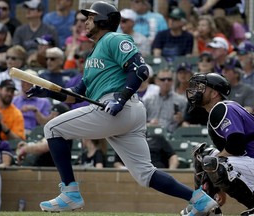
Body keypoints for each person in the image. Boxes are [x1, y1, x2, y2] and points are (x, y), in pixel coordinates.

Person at [25, 1, 218, 214]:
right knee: (145, 174)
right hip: (124, 112)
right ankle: (199, 199)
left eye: (90, 17)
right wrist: (48, 92)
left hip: (118, 106)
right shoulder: (93, 53)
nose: (85, 22)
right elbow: (76, 96)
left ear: (102, 20)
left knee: (52, 129)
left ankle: (70, 193)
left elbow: (141, 70)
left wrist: (120, 99)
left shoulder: (113, 38)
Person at [181, 72, 254, 216]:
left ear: (214, 93)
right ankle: (204, 206)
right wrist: (219, 186)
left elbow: (236, 143)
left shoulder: (223, 108)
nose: (196, 91)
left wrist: (214, 171)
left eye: (202, 87)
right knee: (202, 155)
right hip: (248, 161)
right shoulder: (222, 108)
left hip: (251, 158)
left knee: (212, 161)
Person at [143, 69, 187, 133]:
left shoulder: (182, 100)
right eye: (162, 80)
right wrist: (149, 124)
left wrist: (181, 120)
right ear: (157, 81)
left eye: (169, 79)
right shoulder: (148, 100)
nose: (166, 82)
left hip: (172, 137)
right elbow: (139, 123)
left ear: (173, 81)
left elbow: (186, 123)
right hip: (150, 135)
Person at [13, 69, 51, 135]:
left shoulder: (44, 102)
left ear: (34, 84)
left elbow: (44, 123)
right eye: (22, 81)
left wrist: (35, 110)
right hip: (16, 132)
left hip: (35, 134)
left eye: (27, 82)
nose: (24, 84)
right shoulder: (15, 100)